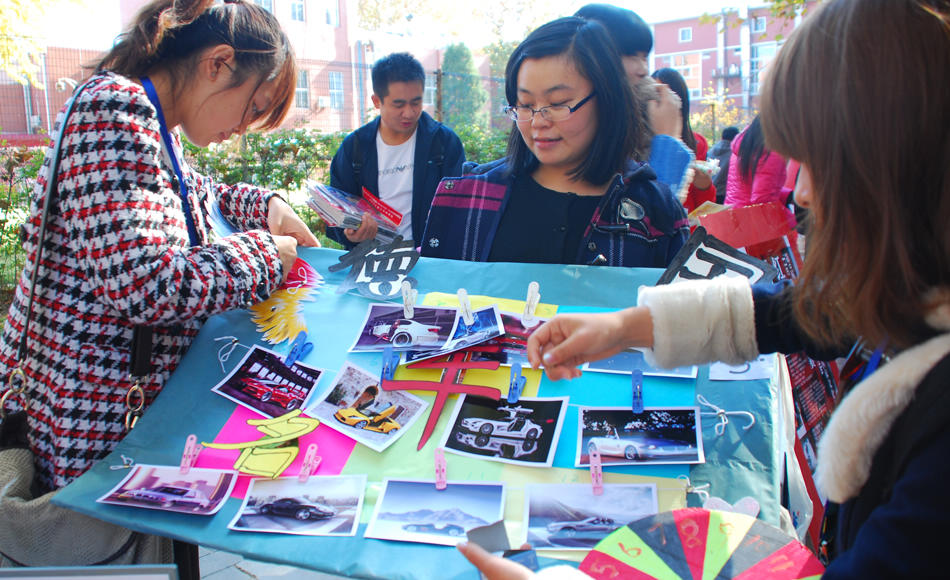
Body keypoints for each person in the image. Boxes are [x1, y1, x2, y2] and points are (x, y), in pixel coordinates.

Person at [462, 0, 950, 577]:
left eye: (817, 163)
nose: (801, 195)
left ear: (898, 166)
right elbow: (795, 315)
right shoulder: (915, 290)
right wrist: (624, 327)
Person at [0, 0, 319, 494]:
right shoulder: (113, 109)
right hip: (87, 425)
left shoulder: (151, 123)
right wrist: (264, 255)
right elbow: (146, 284)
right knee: (104, 566)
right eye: (253, 108)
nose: (241, 129)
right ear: (218, 63)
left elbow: (198, 193)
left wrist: (269, 204)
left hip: (113, 416)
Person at [421, 17, 688, 267]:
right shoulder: (469, 198)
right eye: (525, 105)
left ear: (607, 99)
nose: (538, 121)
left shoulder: (654, 213)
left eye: (558, 103)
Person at [328, 52, 465, 248]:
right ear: (377, 101)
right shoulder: (355, 147)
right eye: (398, 104)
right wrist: (350, 234)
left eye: (416, 102)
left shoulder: (443, 143)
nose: (409, 113)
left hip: (429, 261)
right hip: (371, 263)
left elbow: (460, 210)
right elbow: (335, 212)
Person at [573, 4, 693, 191]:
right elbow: (648, 213)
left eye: (644, 57)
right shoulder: (578, 125)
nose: (643, 70)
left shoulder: (645, 108)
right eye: (630, 56)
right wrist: (668, 141)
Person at [651, 67, 716, 213]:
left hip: (687, 229)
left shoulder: (697, 143)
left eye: (670, 97)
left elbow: (705, 208)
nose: (664, 103)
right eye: (657, 95)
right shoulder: (636, 144)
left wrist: (704, 186)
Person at [724, 115, 788, 209]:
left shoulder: (743, 145)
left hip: (732, 211)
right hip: (753, 217)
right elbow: (762, 199)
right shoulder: (771, 150)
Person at [710, 126, 739, 202]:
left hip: (709, 191)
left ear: (722, 137)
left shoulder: (711, 150)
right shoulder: (735, 154)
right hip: (725, 194)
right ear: (736, 138)